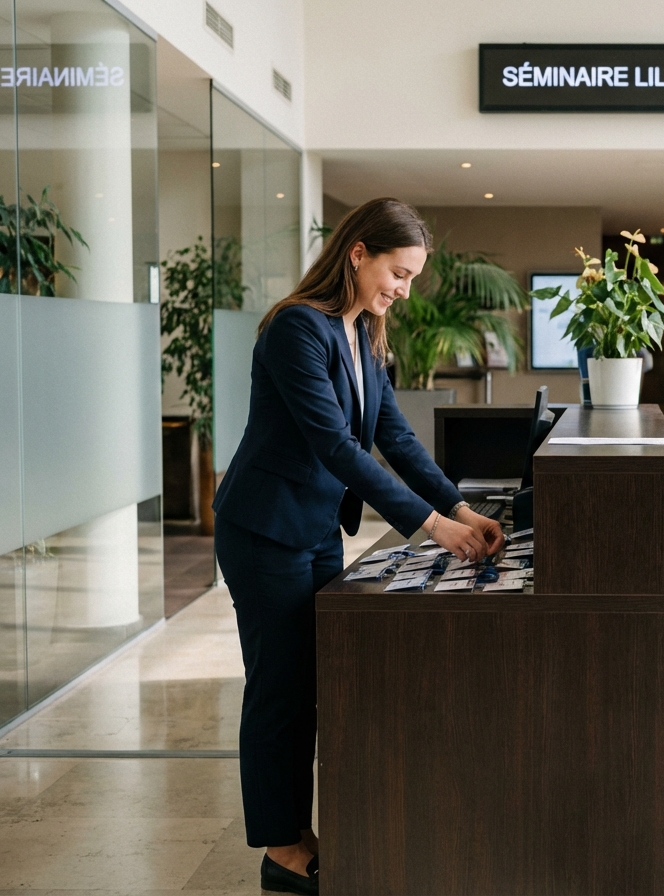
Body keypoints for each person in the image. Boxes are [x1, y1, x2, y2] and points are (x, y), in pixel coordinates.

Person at [212, 199, 504, 896]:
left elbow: (394, 437)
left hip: (313, 529)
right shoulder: (296, 330)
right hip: (264, 529)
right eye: (398, 274)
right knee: (279, 690)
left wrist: (460, 506)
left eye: (409, 280)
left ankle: (297, 828)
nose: (402, 291)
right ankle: (281, 848)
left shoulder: (363, 332)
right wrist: (434, 528)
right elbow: (336, 446)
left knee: (310, 685)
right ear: (358, 254)